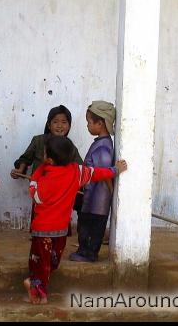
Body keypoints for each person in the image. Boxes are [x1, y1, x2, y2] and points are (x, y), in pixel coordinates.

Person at [24, 135, 127, 304]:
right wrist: (115, 170)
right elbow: (96, 173)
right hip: (61, 231)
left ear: (49, 159)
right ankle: (39, 292)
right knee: (52, 261)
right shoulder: (77, 171)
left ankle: (36, 285)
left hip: (42, 230)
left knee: (39, 261)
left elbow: (35, 195)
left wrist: (37, 173)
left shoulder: (45, 179)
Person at [10, 105, 83, 234]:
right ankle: (39, 232)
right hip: (41, 188)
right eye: (55, 122)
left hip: (61, 191)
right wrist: (20, 170)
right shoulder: (38, 141)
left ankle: (62, 231)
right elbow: (25, 158)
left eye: (64, 122)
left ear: (69, 126)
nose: (60, 126)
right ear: (49, 125)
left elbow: (80, 168)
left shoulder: (69, 146)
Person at [69, 101, 116, 263]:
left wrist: (110, 193)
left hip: (97, 199)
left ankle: (88, 254)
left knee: (91, 226)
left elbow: (103, 173)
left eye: (89, 122)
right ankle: (84, 251)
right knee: (86, 223)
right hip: (93, 196)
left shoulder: (103, 147)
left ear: (100, 123)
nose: (87, 126)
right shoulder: (101, 143)